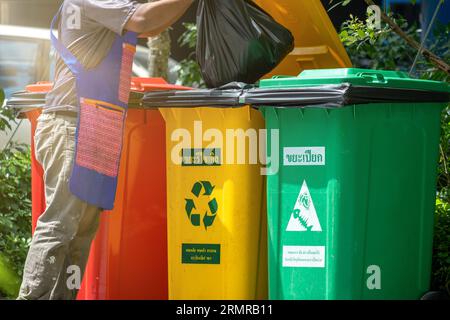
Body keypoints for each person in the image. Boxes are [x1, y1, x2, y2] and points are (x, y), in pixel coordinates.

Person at [18, 0, 193, 300]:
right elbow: (143, 17)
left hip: (94, 125)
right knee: (61, 224)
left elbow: (152, 27)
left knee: (82, 233)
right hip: (70, 121)